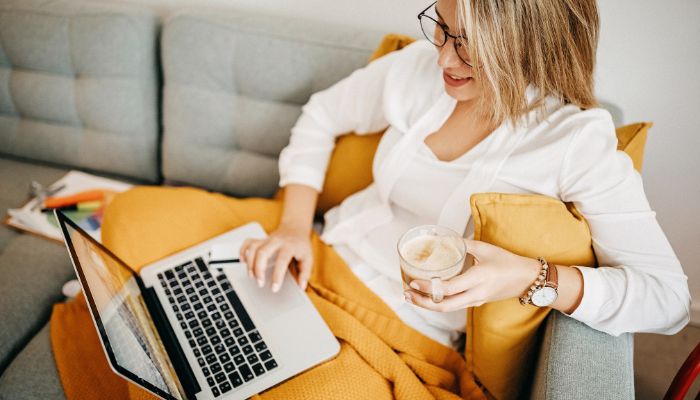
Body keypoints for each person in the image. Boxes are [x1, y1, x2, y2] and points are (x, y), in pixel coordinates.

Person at [239, 0, 690, 348]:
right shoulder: (415, 69)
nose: (443, 61)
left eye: (470, 45)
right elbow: (322, 116)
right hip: (318, 259)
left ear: (535, 46)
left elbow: (668, 301)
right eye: (442, 26)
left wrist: (529, 278)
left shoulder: (575, 142)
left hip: (406, 328)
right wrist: (294, 227)